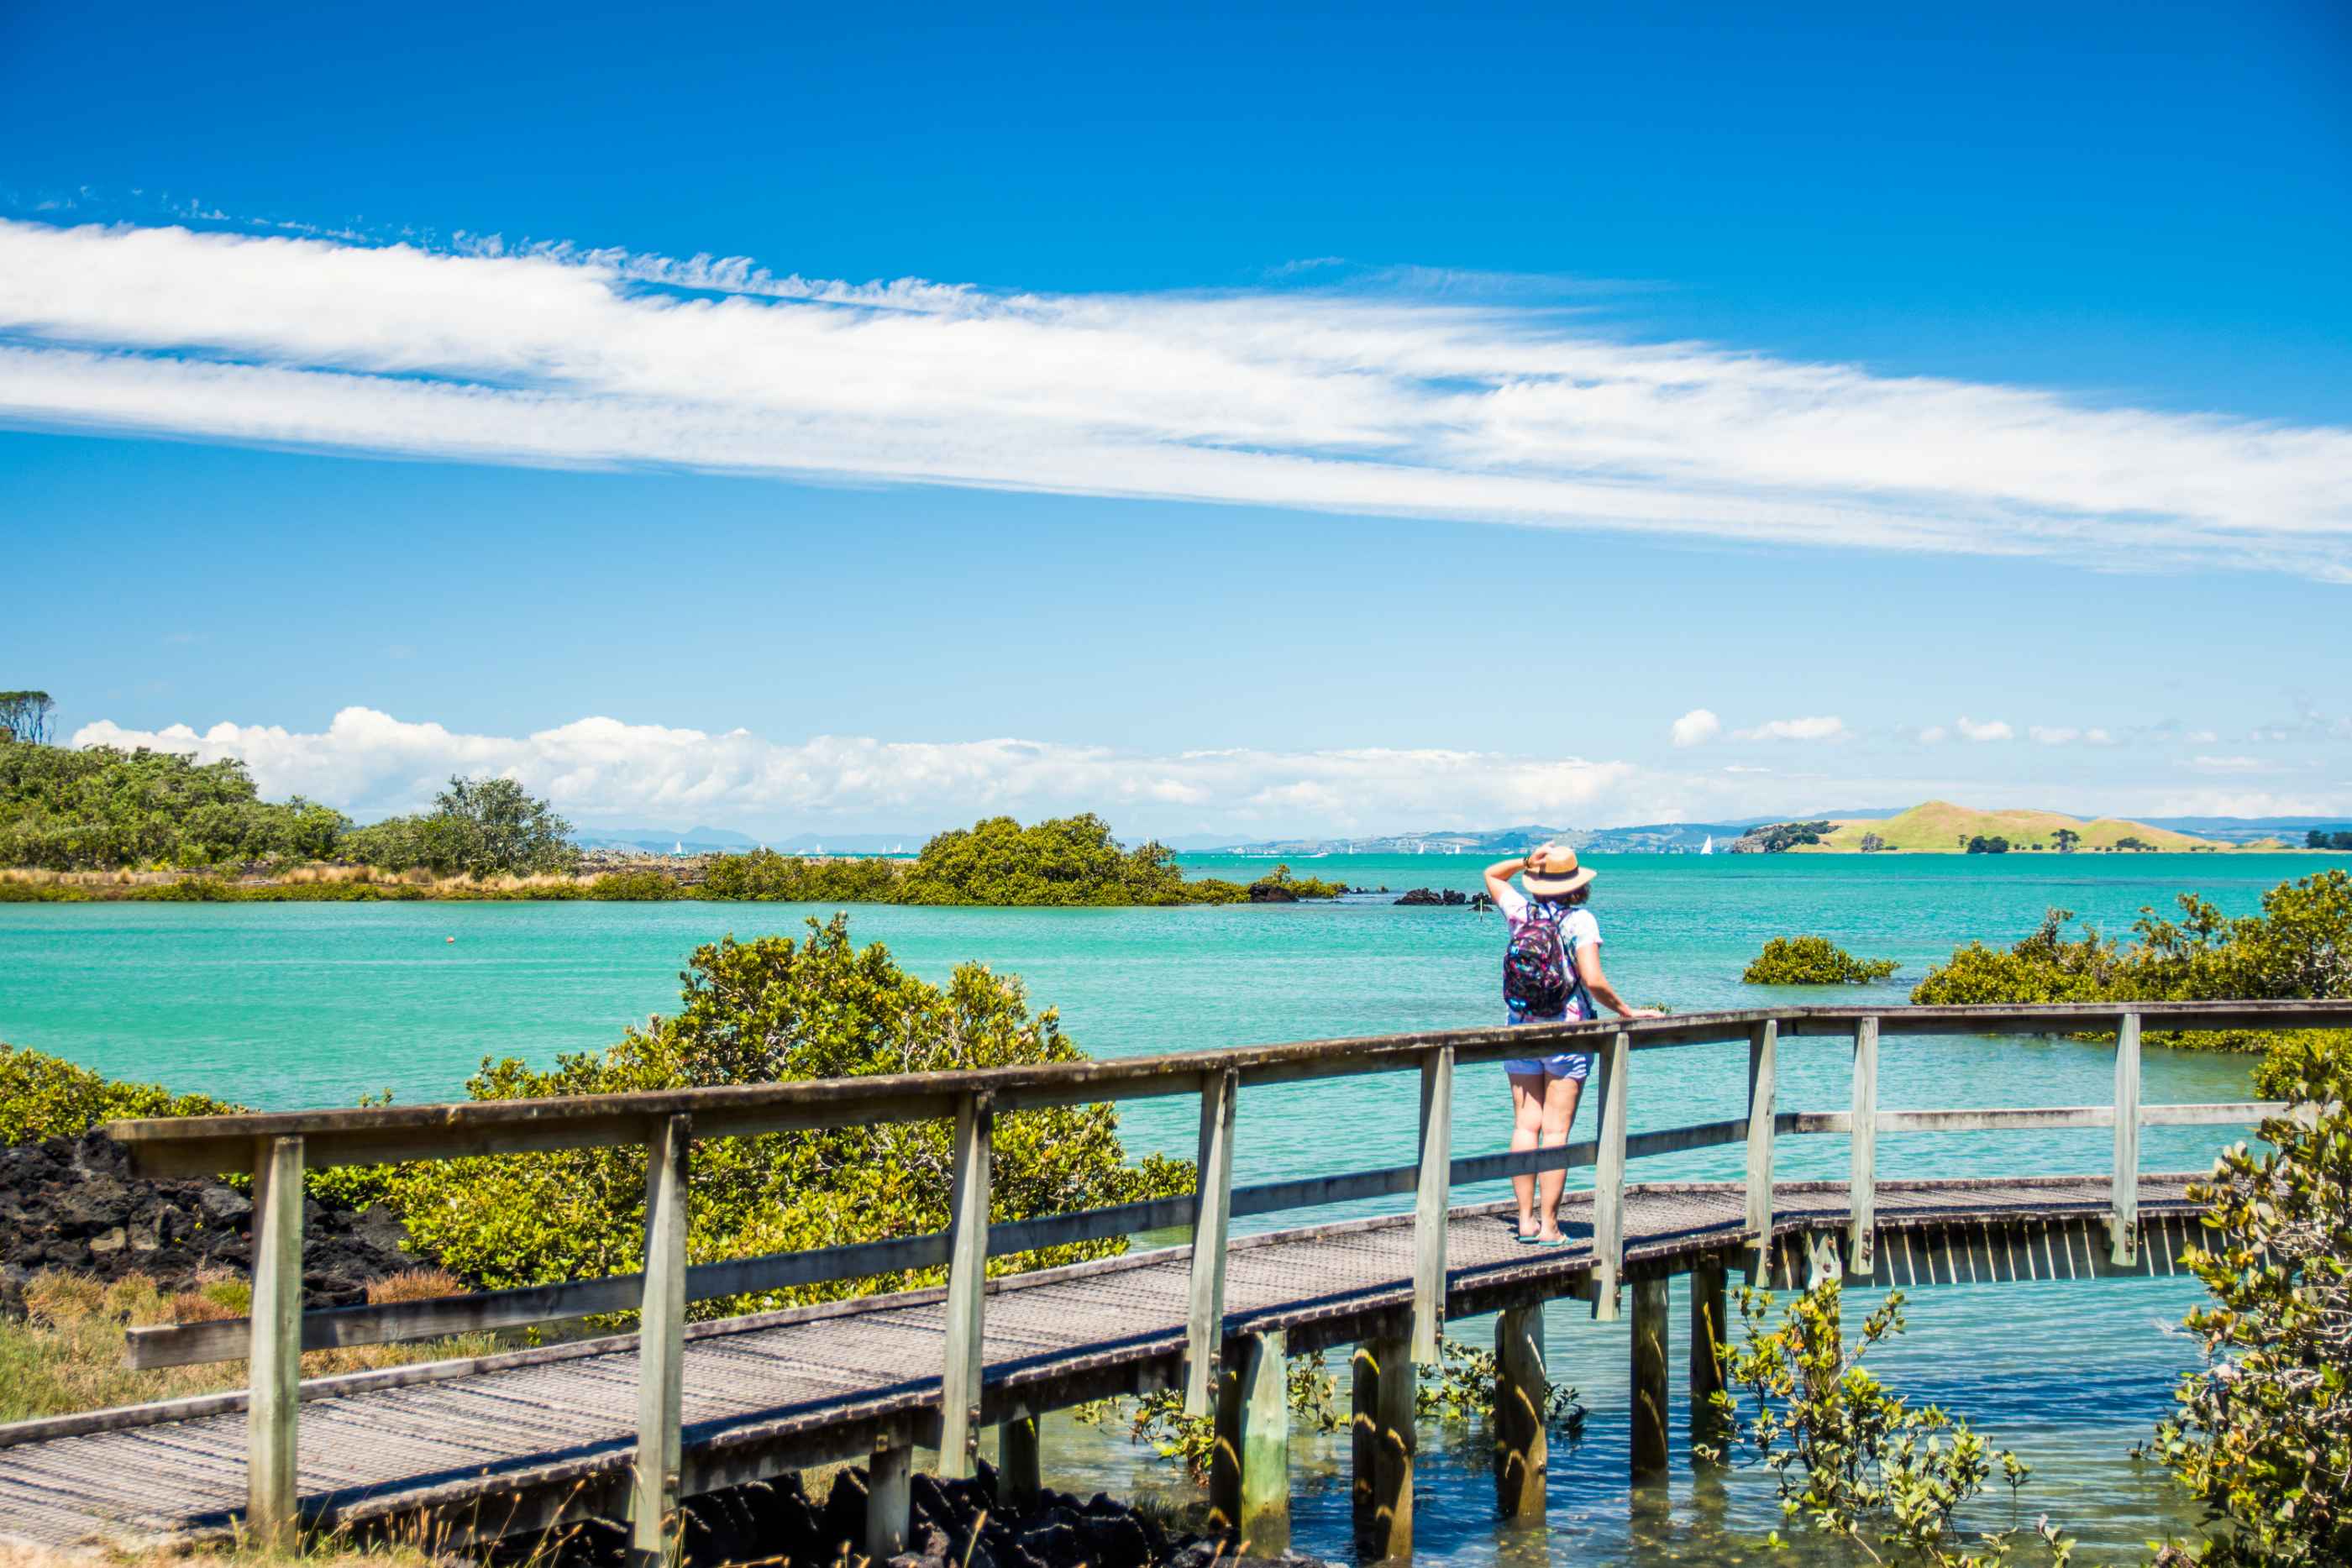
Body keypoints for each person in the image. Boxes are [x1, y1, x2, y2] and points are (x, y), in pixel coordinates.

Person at [1483, 843, 1661, 1244]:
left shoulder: (1521, 913)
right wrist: (1627, 1012)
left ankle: (1524, 1222)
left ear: (1538, 882)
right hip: (1568, 1032)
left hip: (1520, 1029)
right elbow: (1593, 981)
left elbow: (1492, 875)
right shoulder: (1580, 921)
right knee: (1556, 1133)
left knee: (1526, 1126)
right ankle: (1549, 1226)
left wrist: (1528, 860)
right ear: (1578, 885)